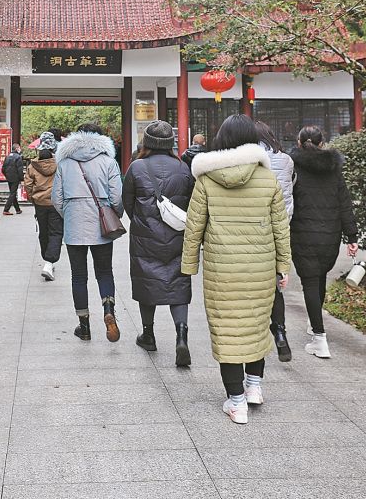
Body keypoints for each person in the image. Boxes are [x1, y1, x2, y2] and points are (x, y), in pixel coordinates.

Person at [182, 114, 291, 425]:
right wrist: (283, 264)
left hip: (222, 271)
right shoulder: (267, 178)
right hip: (260, 269)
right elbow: (280, 227)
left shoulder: (206, 179)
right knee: (256, 326)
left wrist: (189, 265)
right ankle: (254, 386)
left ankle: (236, 402)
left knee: (228, 332)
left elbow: (194, 227)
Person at [122, 120, 195, 365]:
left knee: (147, 282)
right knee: (179, 284)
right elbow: (191, 202)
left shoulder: (136, 167)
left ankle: (149, 334)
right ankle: (181, 336)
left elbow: (127, 203)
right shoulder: (183, 167)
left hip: (145, 236)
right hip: (177, 235)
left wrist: (142, 221)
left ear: (147, 143)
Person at [289, 125, 358, 360]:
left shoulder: (293, 167)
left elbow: (288, 200)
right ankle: (313, 320)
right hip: (330, 233)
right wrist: (352, 236)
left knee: (309, 281)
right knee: (319, 279)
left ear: (299, 142)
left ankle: (319, 339)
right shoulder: (333, 169)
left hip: (302, 232)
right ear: (322, 143)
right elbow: (344, 203)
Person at [53, 123, 124, 343]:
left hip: (74, 223)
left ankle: (84, 327)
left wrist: (70, 214)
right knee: (104, 272)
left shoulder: (64, 163)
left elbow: (56, 198)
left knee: (78, 276)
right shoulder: (108, 162)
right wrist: (115, 215)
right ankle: (108, 309)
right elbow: (117, 197)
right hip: (101, 224)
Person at [256, 121, 296, 363]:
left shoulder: (254, 160)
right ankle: (279, 331)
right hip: (281, 225)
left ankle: (256, 331)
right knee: (274, 284)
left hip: (257, 227)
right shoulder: (287, 159)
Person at [23, 131, 62, 281]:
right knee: (56, 232)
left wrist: (34, 197)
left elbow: (28, 185)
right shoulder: (59, 164)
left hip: (40, 204)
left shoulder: (33, 165)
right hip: (55, 203)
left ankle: (47, 260)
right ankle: (49, 262)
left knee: (44, 232)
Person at [1, 144, 25, 216]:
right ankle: (6, 209)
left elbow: (3, 168)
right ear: (17, 148)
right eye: (19, 148)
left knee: (12, 193)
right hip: (15, 177)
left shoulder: (7, 156)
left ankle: (17, 209)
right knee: (12, 193)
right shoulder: (18, 157)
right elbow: (20, 169)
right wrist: (22, 179)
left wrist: (6, 175)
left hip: (9, 177)